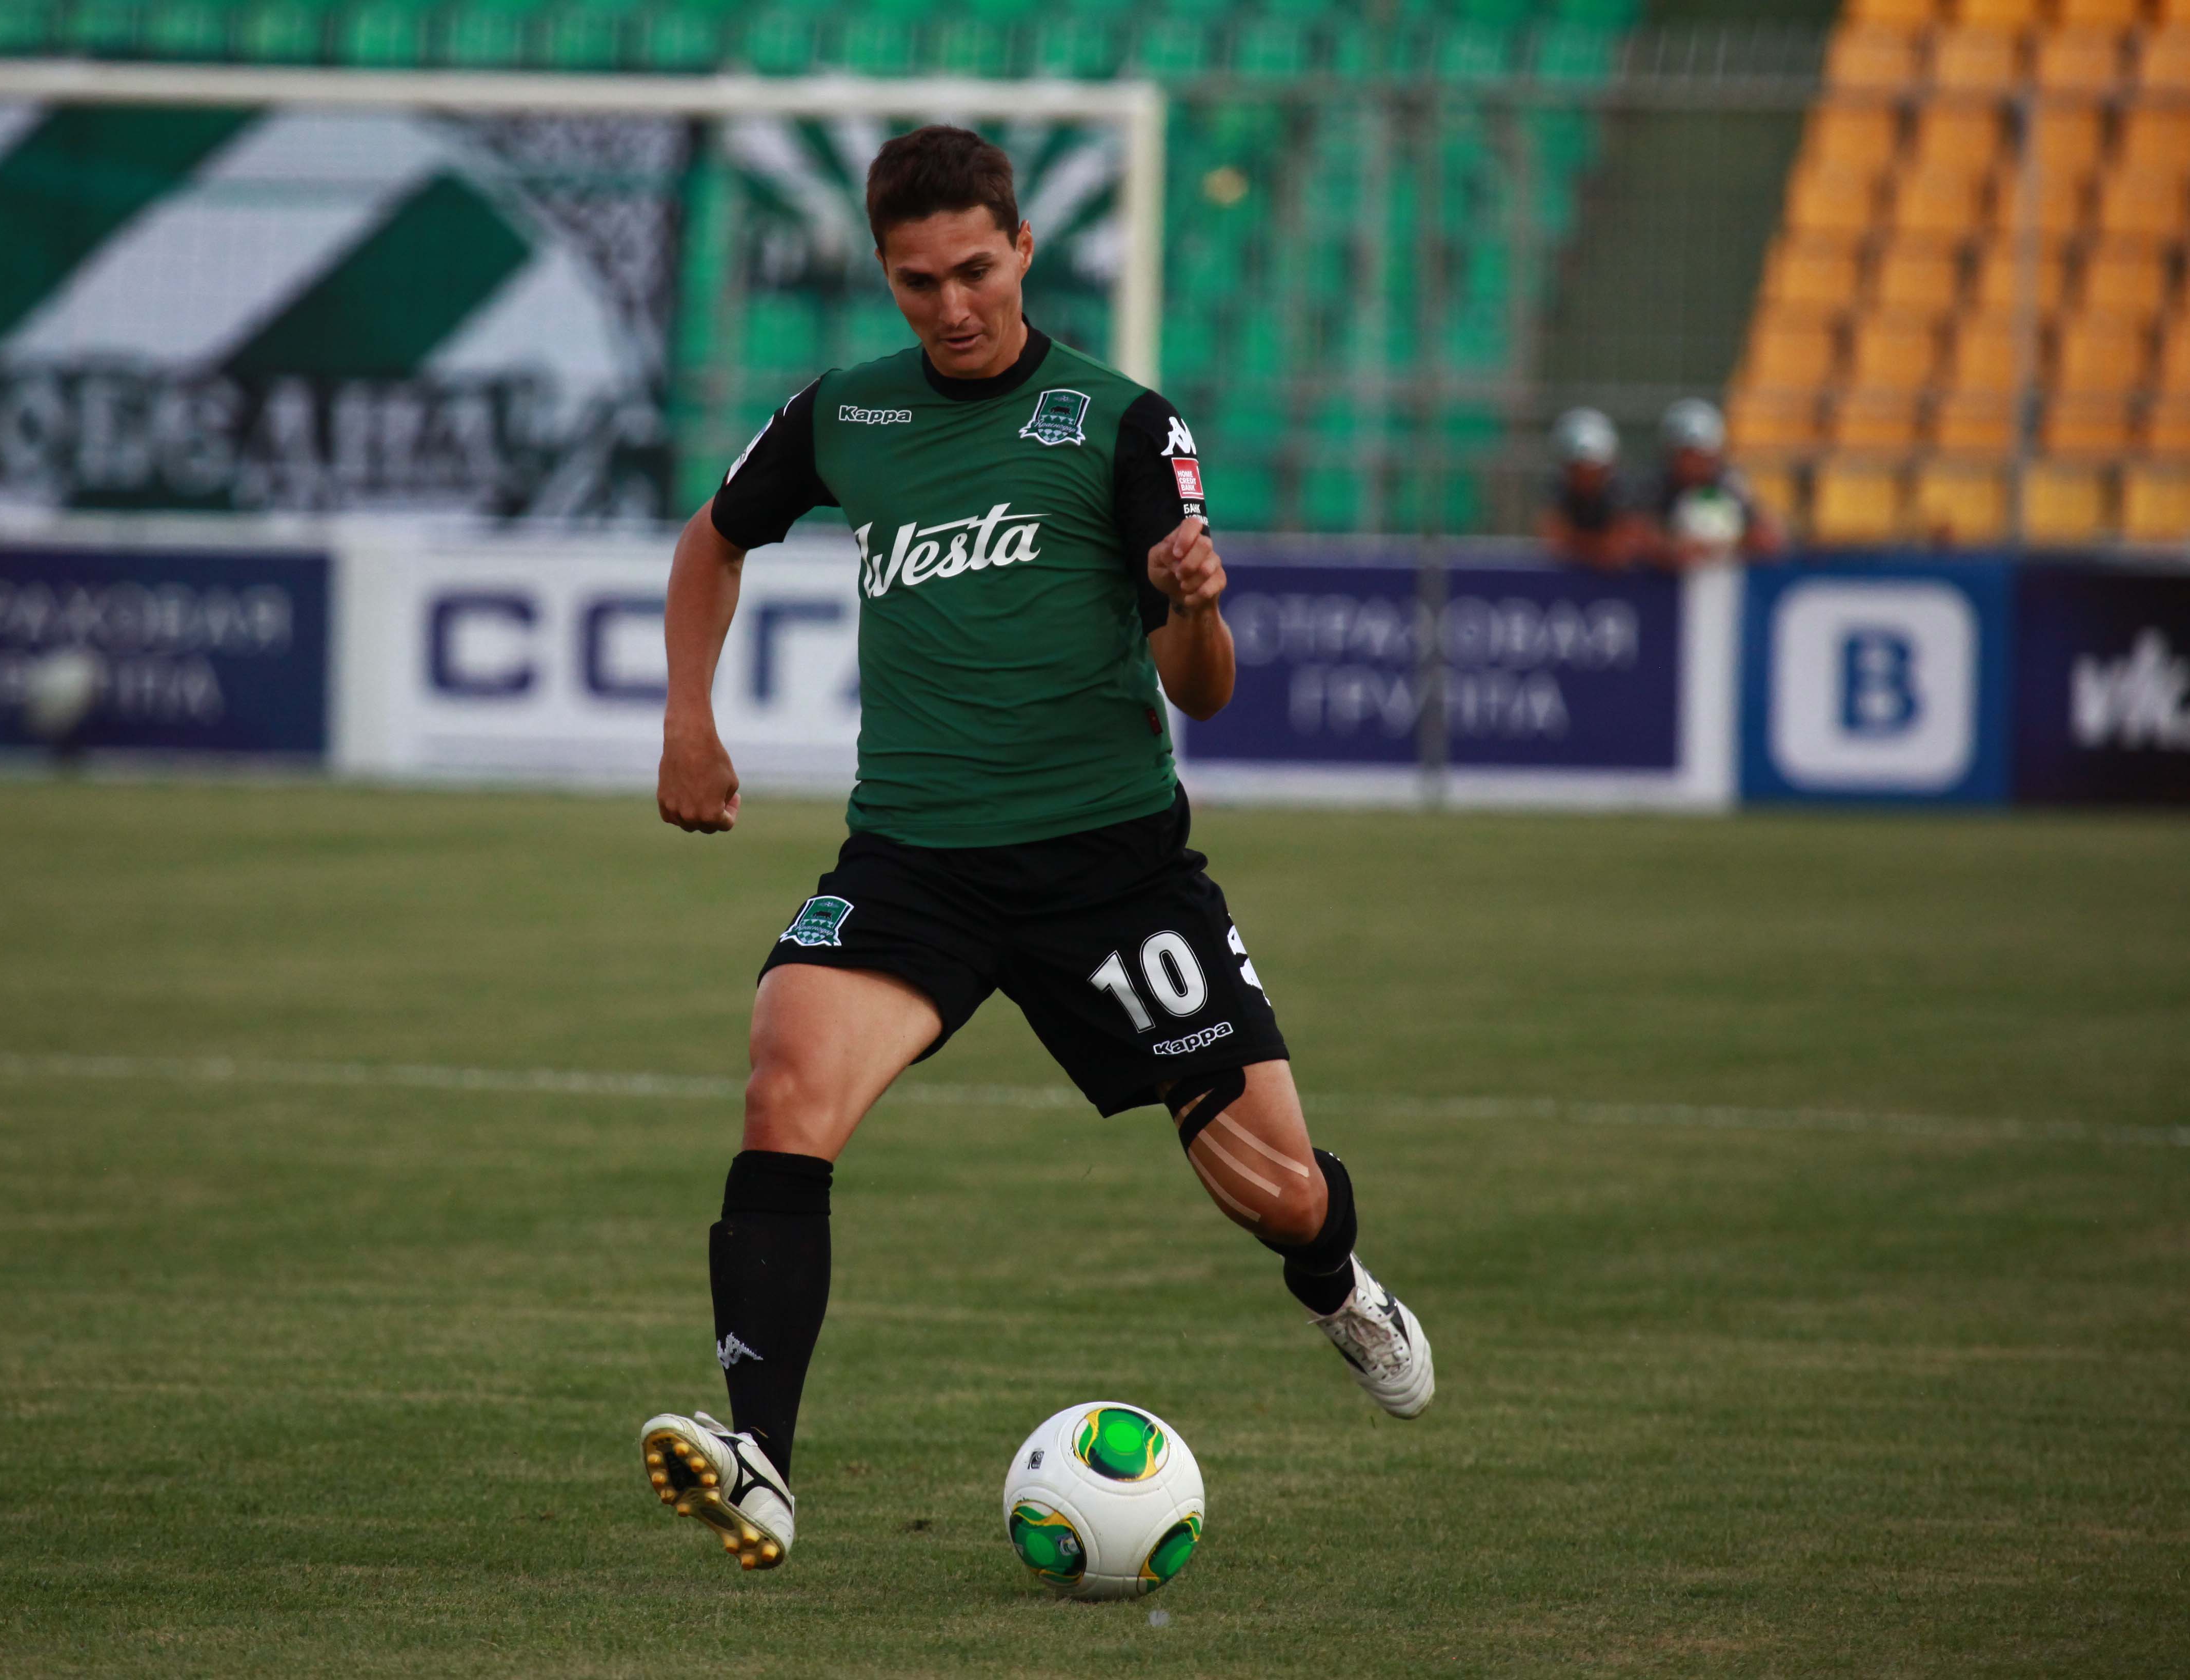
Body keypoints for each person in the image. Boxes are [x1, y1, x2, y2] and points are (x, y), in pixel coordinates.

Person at [638, 126, 1433, 1573]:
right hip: (915, 864)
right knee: (783, 1082)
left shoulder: (1122, 426)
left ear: (1021, 248)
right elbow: (712, 539)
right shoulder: (845, 413)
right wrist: (688, 720)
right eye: (916, 281)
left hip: (1111, 873)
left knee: (1278, 1193)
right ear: (885, 276)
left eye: (974, 271)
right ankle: (759, 1464)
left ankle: (1335, 1282)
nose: (950, 306)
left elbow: (1202, 691)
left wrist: (1192, 601)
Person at [1645, 397, 1782, 568]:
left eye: (1703, 456)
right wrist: (1672, 549)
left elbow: (1769, 537)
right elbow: (1640, 538)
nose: (1694, 464)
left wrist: (1729, 545)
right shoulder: (1656, 488)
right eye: (1687, 454)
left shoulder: (1731, 484)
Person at [1538, 406, 1647, 568]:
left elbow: (1619, 550)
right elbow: (1553, 540)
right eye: (1578, 469)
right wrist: (1595, 547)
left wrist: (1576, 543)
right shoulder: (1558, 489)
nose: (1586, 477)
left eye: (1593, 469)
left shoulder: (1623, 492)